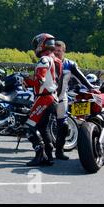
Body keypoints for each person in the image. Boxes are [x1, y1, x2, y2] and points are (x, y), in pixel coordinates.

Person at [53, 40, 98, 160]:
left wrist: (91, 88)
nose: (56, 53)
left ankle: (59, 152)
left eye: (59, 51)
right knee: (41, 125)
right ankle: (43, 152)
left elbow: (82, 78)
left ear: (64, 51)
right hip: (47, 99)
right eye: (54, 51)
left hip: (62, 98)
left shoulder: (70, 64)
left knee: (63, 126)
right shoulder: (48, 62)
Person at [23, 33, 62, 166]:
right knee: (43, 127)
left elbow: (39, 79)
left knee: (28, 127)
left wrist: (25, 80)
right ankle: (49, 156)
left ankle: (40, 154)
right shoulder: (56, 59)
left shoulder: (44, 60)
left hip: (44, 98)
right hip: (53, 97)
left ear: (41, 44)